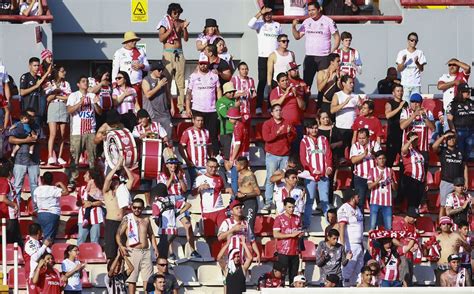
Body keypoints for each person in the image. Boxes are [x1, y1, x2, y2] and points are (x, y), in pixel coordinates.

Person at [292, 1, 340, 89]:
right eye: (309, 10)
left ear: (319, 9)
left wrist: (333, 51)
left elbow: (337, 37)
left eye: (313, 10)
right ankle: (306, 102)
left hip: (324, 57)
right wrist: (293, 27)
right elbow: (297, 36)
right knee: (306, 84)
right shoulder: (306, 22)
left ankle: (321, 102)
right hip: (310, 57)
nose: (311, 12)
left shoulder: (328, 21)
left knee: (324, 83)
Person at [116, 198, 158, 294]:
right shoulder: (127, 218)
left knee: (148, 279)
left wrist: (155, 247)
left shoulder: (146, 219)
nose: (136, 209)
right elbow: (118, 234)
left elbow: (151, 234)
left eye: (139, 208)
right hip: (132, 251)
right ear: (131, 207)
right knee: (132, 279)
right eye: (134, 207)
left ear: (143, 208)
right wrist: (121, 246)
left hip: (146, 251)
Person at [66, 75, 102, 186]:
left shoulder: (92, 96)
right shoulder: (73, 95)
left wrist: (95, 103)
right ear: (78, 84)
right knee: (75, 157)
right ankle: (72, 179)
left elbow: (100, 112)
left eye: (86, 81)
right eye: (83, 81)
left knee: (93, 157)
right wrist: (79, 103)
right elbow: (69, 110)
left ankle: (94, 180)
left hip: (91, 130)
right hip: (77, 131)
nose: (85, 83)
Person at [151, 182, 198, 259]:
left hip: (164, 231)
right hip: (173, 231)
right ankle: (168, 264)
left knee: (161, 253)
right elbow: (188, 205)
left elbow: (156, 219)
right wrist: (178, 213)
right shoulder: (172, 200)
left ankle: (165, 266)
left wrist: (159, 224)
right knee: (162, 251)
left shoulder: (156, 204)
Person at [262, 104, 296, 210]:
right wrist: (277, 133)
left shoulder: (287, 123)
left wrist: (289, 133)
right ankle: (268, 201)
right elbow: (266, 138)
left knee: (285, 178)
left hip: (285, 155)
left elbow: (292, 139)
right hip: (272, 155)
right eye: (276, 110)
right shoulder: (267, 124)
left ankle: (285, 201)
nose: (279, 112)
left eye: (280, 110)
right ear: (272, 113)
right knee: (270, 178)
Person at [248, 6, 282, 114]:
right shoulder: (260, 24)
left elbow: (281, 40)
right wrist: (259, 13)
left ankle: (271, 105)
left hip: (274, 56)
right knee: (262, 81)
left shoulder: (277, 25)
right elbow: (250, 24)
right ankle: (258, 105)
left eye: (269, 13)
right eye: (265, 14)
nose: (267, 16)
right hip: (263, 56)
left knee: (273, 82)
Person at [185, 55, 221, 154]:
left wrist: (219, 105)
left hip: (212, 110)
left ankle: (215, 156)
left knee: (213, 134)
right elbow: (188, 92)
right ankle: (198, 154)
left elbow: (218, 90)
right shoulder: (193, 76)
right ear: (198, 64)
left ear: (208, 64)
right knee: (198, 133)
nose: (203, 66)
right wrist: (188, 108)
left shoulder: (214, 76)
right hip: (198, 109)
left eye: (205, 64)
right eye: (201, 64)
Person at [300, 119, 333, 228]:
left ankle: (330, 224)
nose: (314, 130)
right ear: (307, 129)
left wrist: (329, 167)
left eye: (315, 127)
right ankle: (306, 224)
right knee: (309, 200)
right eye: (311, 128)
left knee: (325, 200)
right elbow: (303, 159)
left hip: (323, 176)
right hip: (310, 176)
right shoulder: (304, 141)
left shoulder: (323, 139)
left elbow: (328, 155)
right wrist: (313, 170)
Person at [157, 3, 189, 114]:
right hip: (168, 53)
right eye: (175, 12)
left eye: (179, 13)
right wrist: (169, 31)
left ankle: (181, 106)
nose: (177, 15)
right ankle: (168, 105)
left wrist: (184, 29)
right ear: (170, 12)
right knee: (167, 80)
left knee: (180, 82)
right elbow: (161, 38)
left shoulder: (181, 22)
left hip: (179, 53)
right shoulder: (164, 22)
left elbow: (186, 39)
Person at [9, 108, 42, 212]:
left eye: (33, 116)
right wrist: (26, 140)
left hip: (34, 160)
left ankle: (35, 209)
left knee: (35, 186)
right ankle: (16, 208)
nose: (31, 118)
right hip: (20, 159)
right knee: (17, 186)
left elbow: (43, 140)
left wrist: (36, 140)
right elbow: (11, 139)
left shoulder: (37, 127)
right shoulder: (18, 125)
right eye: (30, 116)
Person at [102, 156, 134, 262]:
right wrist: (116, 166)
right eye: (113, 180)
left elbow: (132, 179)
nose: (115, 182)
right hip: (111, 222)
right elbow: (107, 179)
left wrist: (124, 165)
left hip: (122, 222)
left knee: (123, 250)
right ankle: (110, 272)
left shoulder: (123, 190)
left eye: (117, 180)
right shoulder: (107, 193)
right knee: (111, 251)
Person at [432, 130, 468, 218]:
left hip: (458, 184)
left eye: (453, 138)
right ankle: (441, 226)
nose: (451, 140)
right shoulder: (443, 151)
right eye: (449, 138)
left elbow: (465, 167)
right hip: (446, 182)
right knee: (443, 206)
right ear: (445, 140)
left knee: (459, 204)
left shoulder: (460, 152)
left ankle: (457, 225)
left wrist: (466, 182)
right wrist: (444, 136)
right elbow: (434, 146)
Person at [112, 31, 149, 108]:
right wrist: (114, 83)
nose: (134, 42)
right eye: (132, 40)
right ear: (127, 42)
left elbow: (148, 67)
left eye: (135, 40)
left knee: (138, 107)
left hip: (137, 85)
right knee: (123, 106)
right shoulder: (119, 52)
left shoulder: (141, 51)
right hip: (123, 86)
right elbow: (115, 69)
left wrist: (141, 66)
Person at [196, 158, 231, 236]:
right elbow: (192, 193)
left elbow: (225, 189)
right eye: (211, 166)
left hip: (220, 209)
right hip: (207, 211)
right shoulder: (200, 178)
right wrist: (200, 187)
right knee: (209, 236)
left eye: (215, 167)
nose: (213, 169)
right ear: (206, 166)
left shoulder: (220, 177)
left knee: (225, 233)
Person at [273, 197, 304, 285]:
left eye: (293, 207)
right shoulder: (279, 218)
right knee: (281, 277)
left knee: (293, 278)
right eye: (289, 207)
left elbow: (299, 233)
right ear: (284, 206)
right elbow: (276, 234)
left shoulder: (298, 218)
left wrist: (300, 234)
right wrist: (291, 235)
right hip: (283, 252)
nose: (291, 209)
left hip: (295, 252)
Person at [350, 128, 382, 210]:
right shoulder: (355, 146)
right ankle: (360, 221)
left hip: (374, 177)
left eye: (363, 138)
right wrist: (364, 155)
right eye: (359, 138)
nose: (361, 140)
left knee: (376, 200)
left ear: (368, 137)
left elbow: (381, 159)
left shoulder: (375, 144)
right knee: (359, 201)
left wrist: (374, 153)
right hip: (360, 177)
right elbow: (353, 160)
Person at [400, 92, 434, 168]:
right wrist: (414, 115)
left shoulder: (428, 112)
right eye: (412, 102)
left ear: (421, 103)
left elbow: (433, 128)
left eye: (417, 102)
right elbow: (402, 126)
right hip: (408, 148)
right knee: (407, 173)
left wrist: (424, 117)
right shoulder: (406, 112)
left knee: (423, 174)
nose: (415, 104)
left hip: (423, 149)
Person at [337, 189, 364, 287]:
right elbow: (341, 227)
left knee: (358, 272)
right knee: (347, 271)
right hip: (350, 244)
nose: (359, 198)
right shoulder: (344, 208)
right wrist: (343, 246)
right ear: (352, 198)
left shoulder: (358, 209)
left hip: (359, 244)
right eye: (357, 196)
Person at [44, 66, 70, 165]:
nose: (64, 73)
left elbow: (68, 97)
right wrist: (56, 94)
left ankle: (60, 156)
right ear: (57, 72)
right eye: (62, 71)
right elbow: (47, 98)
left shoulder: (66, 83)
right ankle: (50, 156)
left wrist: (56, 95)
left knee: (62, 134)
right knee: (53, 133)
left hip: (63, 107)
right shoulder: (50, 83)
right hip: (53, 107)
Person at [141, 61, 175, 138]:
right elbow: (148, 95)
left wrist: (172, 106)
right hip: (152, 115)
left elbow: (168, 93)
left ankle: (167, 150)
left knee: (168, 137)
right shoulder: (146, 80)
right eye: (159, 70)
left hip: (164, 113)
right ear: (153, 70)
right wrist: (159, 86)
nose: (160, 71)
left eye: (162, 70)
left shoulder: (163, 78)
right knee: (154, 139)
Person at [270, 72, 305, 145]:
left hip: (296, 125)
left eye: (286, 80)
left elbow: (303, 107)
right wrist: (286, 93)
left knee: (296, 150)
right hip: (282, 126)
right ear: (278, 83)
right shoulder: (275, 91)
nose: (285, 82)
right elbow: (275, 105)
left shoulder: (294, 90)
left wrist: (297, 95)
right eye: (282, 81)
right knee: (284, 147)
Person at [178, 113, 211, 187]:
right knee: (196, 185)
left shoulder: (206, 132)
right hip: (193, 165)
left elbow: (209, 147)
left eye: (202, 120)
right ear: (193, 120)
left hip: (205, 164)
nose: (200, 122)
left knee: (206, 185)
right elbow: (181, 147)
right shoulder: (188, 132)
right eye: (198, 120)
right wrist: (187, 160)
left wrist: (211, 158)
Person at [33, 171, 68, 240]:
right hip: (52, 214)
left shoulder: (37, 189)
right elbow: (66, 192)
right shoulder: (54, 189)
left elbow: (35, 202)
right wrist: (61, 183)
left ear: (43, 180)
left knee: (43, 235)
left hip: (41, 214)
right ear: (52, 180)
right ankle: (46, 250)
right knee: (49, 238)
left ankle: (45, 249)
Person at [367, 151, 397, 230]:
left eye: (383, 158)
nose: (382, 160)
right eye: (379, 159)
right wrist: (377, 181)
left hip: (387, 203)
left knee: (388, 227)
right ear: (376, 160)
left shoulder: (390, 171)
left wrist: (391, 180)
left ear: (386, 159)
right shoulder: (372, 170)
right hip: (375, 202)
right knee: (372, 226)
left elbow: (395, 188)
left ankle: (387, 242)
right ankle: (371, 242)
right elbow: (369, 186)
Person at [330, 75, 361, 150]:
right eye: (350, 83)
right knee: (340, 152)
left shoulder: (356, 96)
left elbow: (361, 112)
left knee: (352, 149)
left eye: (353, 83)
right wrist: (345, 103)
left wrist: (361, 106)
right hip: (341, 128)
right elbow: (332, 110)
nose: (352, 85)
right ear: (343, 83)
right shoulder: (337, 95)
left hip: (353, 128)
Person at [392, 207, 420, 286]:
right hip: (401, 254)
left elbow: (414, 238)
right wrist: (405, 246)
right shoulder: (398, 222)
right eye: (414, 217)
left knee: (409, 278)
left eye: (416, 218)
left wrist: (414, 245)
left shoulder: (412, 225)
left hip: (409, 255)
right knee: (403, 278)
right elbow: (394, 240)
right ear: (408, 215)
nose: (415, 220)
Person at [437, 58, 470, 124]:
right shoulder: (444, 77)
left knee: (461, 132)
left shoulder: (462, 75)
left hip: (461, 110)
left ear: (458, 66)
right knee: (448, 132)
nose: (451, 66)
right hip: (448, 111)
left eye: (454, 64)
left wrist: (456, 61)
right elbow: (439, 86)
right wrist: (454, 82)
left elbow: (468, 68)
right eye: (450, 65)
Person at [396, 32, 427, 102]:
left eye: (416, 41)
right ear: (408, 41)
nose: (414, 42)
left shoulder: (420, 52)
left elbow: (421, 69)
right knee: (405, 105)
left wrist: (417, 63)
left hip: (416, 84)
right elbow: (398, 69)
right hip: (405, 84)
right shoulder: (402, 52)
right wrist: (403, 61)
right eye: (412, 40)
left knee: (415, 104)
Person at [20, 57, 51, 125]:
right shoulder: (25, 76)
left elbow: (41, 89)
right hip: (27, 112)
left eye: (38, 65)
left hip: (38, 112)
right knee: (28, 133)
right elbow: (22, 92)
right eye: (34, 65)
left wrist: (48, 72)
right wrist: (36, 86)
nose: (37, 67)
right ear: (30, 66)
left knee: (38, 133)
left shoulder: (39, 78)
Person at [434, 216, 466, 285]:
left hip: (454, 269)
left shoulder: (456, 236)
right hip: (440, 268)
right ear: (440, 225)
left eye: (448, 224)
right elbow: (428, 254)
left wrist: (463, 244)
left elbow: (469, 249)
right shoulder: (436, 238)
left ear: (451, 225)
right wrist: (427, 248)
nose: (446, 225)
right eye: (443, 224)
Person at [400, 131, 426, 212]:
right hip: (411, 179)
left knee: (417, 203)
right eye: (414, 140)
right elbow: (403, 150)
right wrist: (410, 141)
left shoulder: (418, 151)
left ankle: (415, 219)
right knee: (412, 202)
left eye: (416, 140)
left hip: (420, 180)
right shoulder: (408, 150)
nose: (415, 141)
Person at [447, 83, 474, 161]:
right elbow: (450, 119)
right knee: (460, 154)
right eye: (465, 91)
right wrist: (453, 131)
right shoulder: (453, 104)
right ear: (460, 92)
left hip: (471, 131)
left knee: (468, 153)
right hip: (459, 131)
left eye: (468, 91)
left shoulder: (471, 103)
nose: (468, 93)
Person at [77, 169, 104, 244]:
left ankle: (94, 255)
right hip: (82, 216)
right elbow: (78, 202)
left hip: (96, 216)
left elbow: (103, 202)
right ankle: (79, 255)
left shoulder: (99, 187)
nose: (83, 175)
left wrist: (91, 204)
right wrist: (83, 202)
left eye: (86, 174)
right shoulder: (81, 188)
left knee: (95, 239)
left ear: (91, 176)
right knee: (81, 238)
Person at [23, 223, 52, 293]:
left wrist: (45, 245)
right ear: (39, 232)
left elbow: (49, 252)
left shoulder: (39, 242)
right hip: (32, 274)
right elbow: (35, 257)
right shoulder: (29, 242)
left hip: (42, 273)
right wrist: (44, 246)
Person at [0, 159, 21, 247]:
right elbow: (2, 198)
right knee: (10, 240)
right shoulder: (5, 182)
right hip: (9, 216)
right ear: (9, 172)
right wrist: (14, 205)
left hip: (8, 216)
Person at [384, 84, 406, 167]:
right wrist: (399, 107)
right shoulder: (389, 103)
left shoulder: (405, 103)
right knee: (389, 160)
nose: (400, 93)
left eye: (401, 91)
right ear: (393, 93)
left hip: (403, 136)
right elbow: (388, 115)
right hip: (393, 136)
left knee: (404, 162)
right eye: (398, 91)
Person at [216, 82, 238, 159]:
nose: (232, 93)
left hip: (236, 131)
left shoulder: (235, 100)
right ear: (225, 92)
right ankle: (228, 170)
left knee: (237, 155)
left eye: (233, 91)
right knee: (228, 155)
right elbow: (224, 114)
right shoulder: (221, 101)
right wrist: (235, 107)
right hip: (226, 132)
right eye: (229, 92)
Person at [231, 61, 256, 130]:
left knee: (246, 130)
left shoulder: (251, 80)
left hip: (246, 109)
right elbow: (229, 95)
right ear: (239, 70)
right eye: (242, 69)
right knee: (237, 129)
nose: (245, 71)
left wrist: (253, 94)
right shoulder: (234, 80)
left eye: (246, 69)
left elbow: (253, 93)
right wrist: (239, 94)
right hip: (236, 108)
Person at [457, 220, 473, 285]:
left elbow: (471, 251)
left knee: (469, 285)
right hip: (459, 266)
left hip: (468, 265)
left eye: (467, 229)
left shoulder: (471, 239)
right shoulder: (456, 239)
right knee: (459, 284)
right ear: (459, 229)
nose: (466, 231)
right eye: (465, 229)